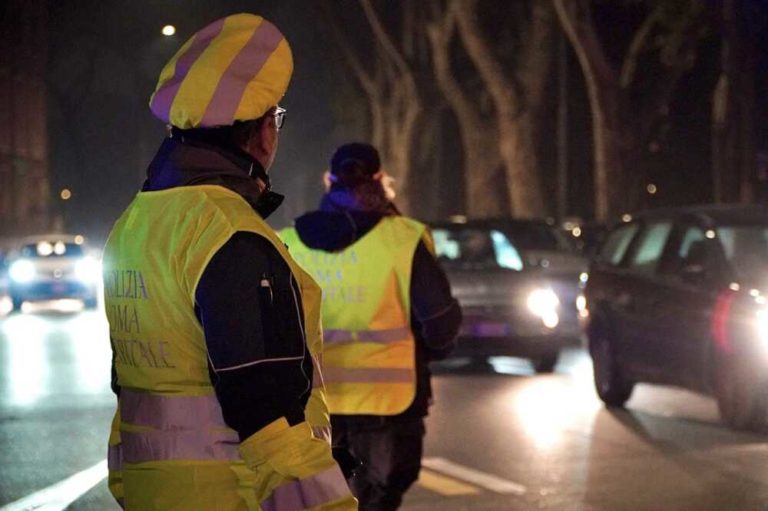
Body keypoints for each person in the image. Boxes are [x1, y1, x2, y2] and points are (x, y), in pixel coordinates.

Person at [102, 14, 356, 511]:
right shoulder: (229, 232)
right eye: (275, 118)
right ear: (261, 133)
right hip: (229, 496)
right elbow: (269, 415)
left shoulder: (136, 222)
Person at [280, 142, 462, 510]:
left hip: (312, 406)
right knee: (378, 497)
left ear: (328, 181)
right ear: (380, 180)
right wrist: (425, 354)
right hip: (389, 407)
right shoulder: (404, 239)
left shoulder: (288, 243)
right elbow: (440, 321)